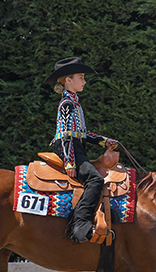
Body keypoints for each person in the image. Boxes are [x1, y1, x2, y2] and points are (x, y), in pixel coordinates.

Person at [44, 57, 118, 244]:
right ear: (68, 80)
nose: (84, 81)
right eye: (81, 77)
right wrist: (69, 162)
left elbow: (82, 134)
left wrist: (104, 141)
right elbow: (67, 136)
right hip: (68, 149)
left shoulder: (75, 102)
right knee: (94, 180)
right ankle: (80, 225)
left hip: (75, 148)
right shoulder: (67, 104)